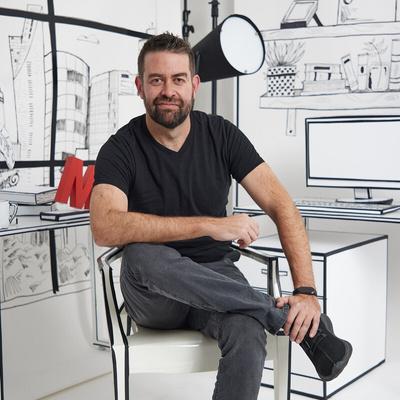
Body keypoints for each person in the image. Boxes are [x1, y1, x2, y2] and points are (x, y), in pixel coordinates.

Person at [90, 32, 352, 400]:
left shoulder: (221, 135)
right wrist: (209, 225)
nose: (168, 90)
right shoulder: (121, 148)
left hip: (218, 279)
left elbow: (282, 206)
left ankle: (271, 315)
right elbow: (105, 226)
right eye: (157, 80)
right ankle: (282, 317)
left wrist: (306, 292)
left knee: (248, 332)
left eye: (178, 79)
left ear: (194, 85)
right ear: (140, 87)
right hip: (154, 295)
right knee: (143, 254)